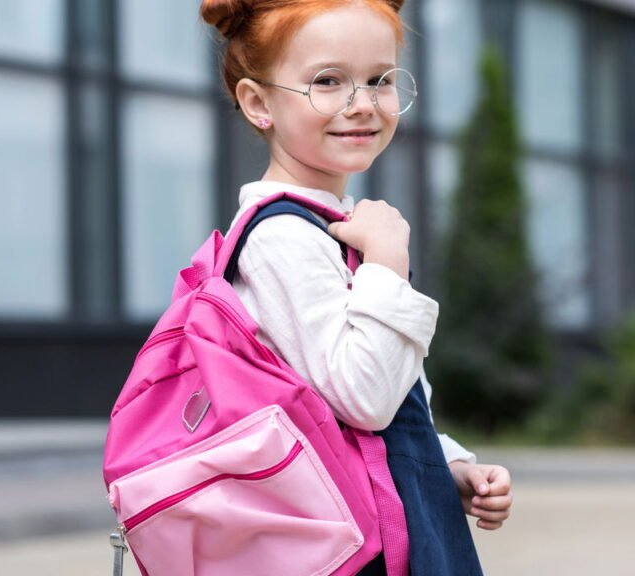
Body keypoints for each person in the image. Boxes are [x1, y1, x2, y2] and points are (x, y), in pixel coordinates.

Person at [199, 0, 513, 573]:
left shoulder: (328, 225)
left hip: (385, 518)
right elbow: (363, 399)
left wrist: (447, 468)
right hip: (361, 546)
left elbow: (373, 408)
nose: (363, 104)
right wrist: (388, 260)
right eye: (328, 81)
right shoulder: (283, 239)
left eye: (380, 79)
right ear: (258, 102)